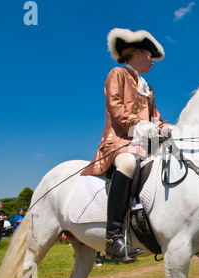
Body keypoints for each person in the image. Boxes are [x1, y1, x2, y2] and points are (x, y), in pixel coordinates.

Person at [80, 28, 169, 260]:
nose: (152, 61)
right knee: (128, 164)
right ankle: (113, 239)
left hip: (145, 145)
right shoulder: (117, 74)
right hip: (118, 142)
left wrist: (167, 129)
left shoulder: (148, 88)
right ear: (139, 53)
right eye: (150, 55)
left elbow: (156, 118)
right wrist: (140, 124)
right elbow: (116, 108)